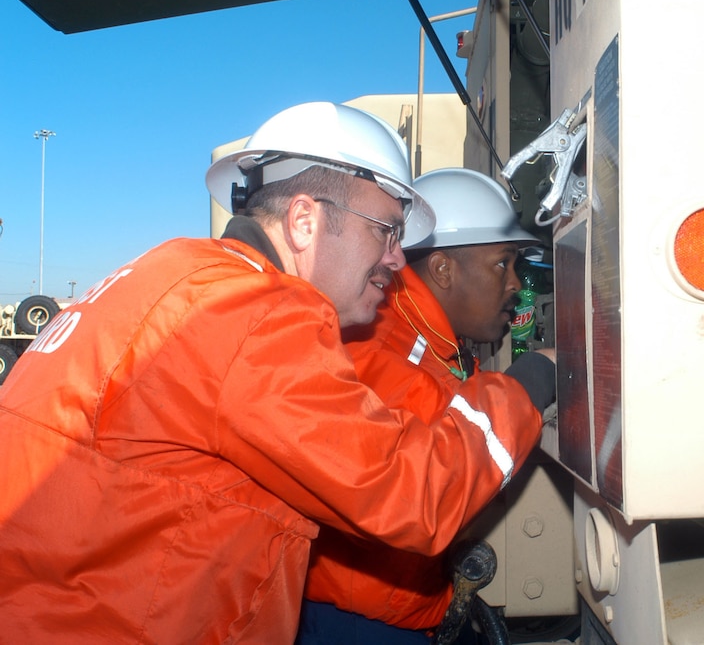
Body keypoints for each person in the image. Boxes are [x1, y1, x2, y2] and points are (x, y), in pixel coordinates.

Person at [0, 102, 552, 644]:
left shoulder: (174, 272)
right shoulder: (252, 313)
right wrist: (526, 389)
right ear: (304, 220)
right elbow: (411, 495)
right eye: (385, 231)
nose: (394, 259)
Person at [295, 168, 552, 644]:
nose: (516, 283)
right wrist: (538, 375)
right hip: (356, 627)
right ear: (442, 270)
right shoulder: (376, 345)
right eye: (503, 263)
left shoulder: (429, 341)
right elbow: (442, 451)